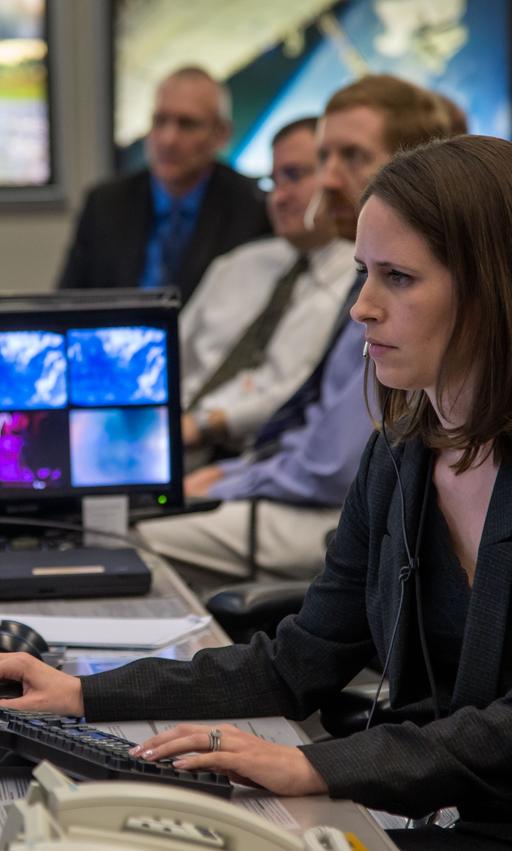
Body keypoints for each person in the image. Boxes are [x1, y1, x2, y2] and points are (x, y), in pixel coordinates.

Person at [0, 136, 512, 849]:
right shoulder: (405, 446)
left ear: (497, 291)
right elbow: (299, 660)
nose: (361, 306)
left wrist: (311, 765)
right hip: (464, 808)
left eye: (397, 277)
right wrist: (83, 692)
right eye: (362, 271)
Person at [140, 74, 453, 581]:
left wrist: (229, 479)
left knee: (131, 544)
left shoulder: (391, 292)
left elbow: (332, 464)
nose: (327, 181)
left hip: (336, 511)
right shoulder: (337, 278)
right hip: (286, 480)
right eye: (323, 159)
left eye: (350, 157)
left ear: (414, 166)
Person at [179, 116, 355, 459]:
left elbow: (301, 390)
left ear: (334, 177)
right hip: (171, 435)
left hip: (255, 454)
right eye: (272, 181)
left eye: (293, 176)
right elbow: (173, 355)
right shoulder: (235, 266)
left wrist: (201, 425)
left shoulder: (360, 281)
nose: (278, 198)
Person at [56, 66, 269, 303]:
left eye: (187, 124)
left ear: (221, 134)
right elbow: (67, 303)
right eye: (160, 121)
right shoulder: (106, 204)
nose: (168, 139)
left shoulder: (251, 207)